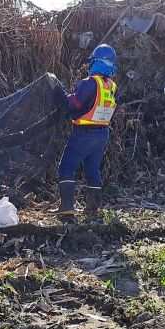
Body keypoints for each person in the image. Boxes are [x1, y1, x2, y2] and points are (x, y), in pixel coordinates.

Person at [52, 44, 119, 218]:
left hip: (84, 133)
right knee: (92, 170)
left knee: (66, 167)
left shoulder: (90, 83)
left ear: (95, 62)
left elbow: (74, 104)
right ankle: (92, 209)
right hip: (102, 134)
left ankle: (66, 207)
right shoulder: (111, 86)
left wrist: (59, 94)